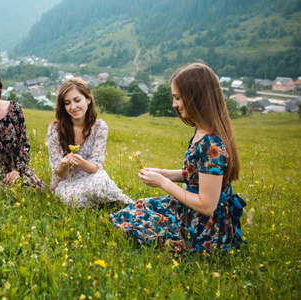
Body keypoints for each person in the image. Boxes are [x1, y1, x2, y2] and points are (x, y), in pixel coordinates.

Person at [110, 63, 245, 253]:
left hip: (206, 226)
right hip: (190, 210)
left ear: (195, 98)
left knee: (136, 223)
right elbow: (198, 175)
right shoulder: (202, 132)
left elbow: (206, 205)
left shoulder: (212, 146)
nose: (174, 104)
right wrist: (165, 173)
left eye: (178, 98)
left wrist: (163, 182)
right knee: (137, 207)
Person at [45, 77, 132, 207]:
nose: (73, 107)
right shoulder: (55, 129)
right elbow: (59, 174)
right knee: (72, 199)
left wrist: (80, 162)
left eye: (77, 100)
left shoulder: (100, 127)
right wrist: (65, 164)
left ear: (88, 99)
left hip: (91, 175)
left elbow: (94, 167)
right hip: (67, 181)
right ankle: (102, 202)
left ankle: (125, 205)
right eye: (67, 103)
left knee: (101, 184)